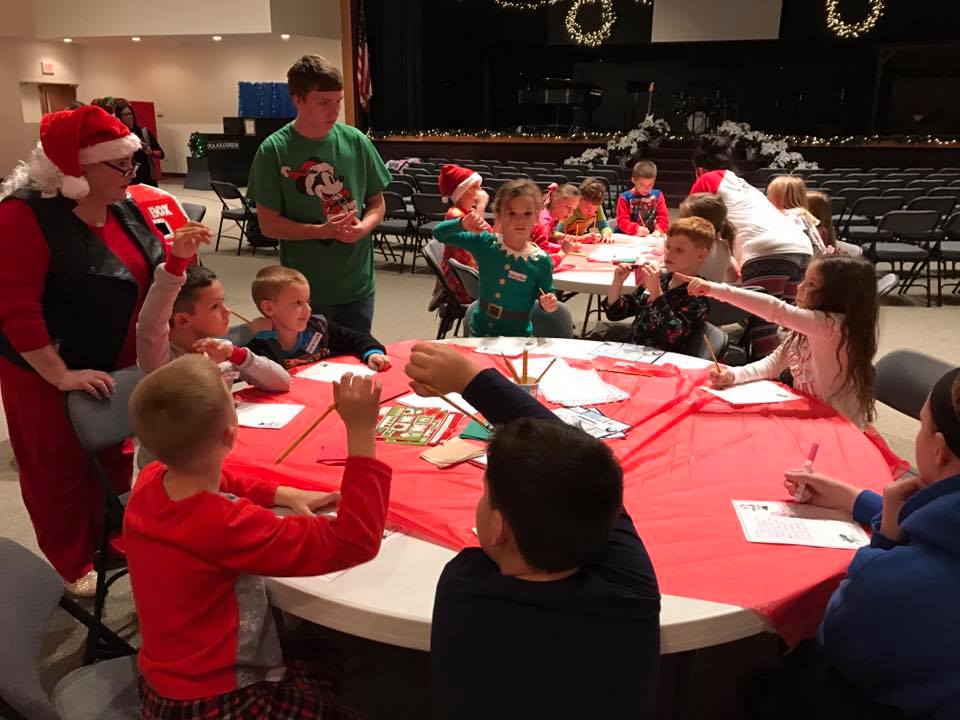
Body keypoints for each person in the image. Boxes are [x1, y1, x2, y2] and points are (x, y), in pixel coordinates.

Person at [403, 342, 661, 719]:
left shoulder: (463, 585)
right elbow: (583, 469)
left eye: (485, 494)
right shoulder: (631, 588)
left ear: (497, 528)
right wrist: (473, 380)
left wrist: (469, 380)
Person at [125, 354, 391, 719]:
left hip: (171, 677)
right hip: (216, 697)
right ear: (231, 434)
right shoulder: (224, 524)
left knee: (326, 655)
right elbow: (354, 541)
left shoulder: (152, 478)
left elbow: (219, 476)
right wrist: (361, 433)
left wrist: (281, 493)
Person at [0, 105, 164, 594]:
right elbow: (15, 309)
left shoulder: (121, 204)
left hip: (114, 354)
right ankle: (72, 560)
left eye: (132, 162)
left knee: (114, 455)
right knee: (57, 467)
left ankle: (110, 536)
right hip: (46, 369)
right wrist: (58, 374)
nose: (132, 173)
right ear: (78, 169)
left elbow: (147, 265)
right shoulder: (23, 215)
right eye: (121, 164)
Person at [782, 366, 960, 719]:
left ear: (939, 450)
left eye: (921, 425)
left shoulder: (898, 585)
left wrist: (884, 542)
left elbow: (835, 637)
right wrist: (856, 500)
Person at [247, 55, 392, 333]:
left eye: (338, 101)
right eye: (323, 102)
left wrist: (364, 227)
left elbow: (377, 202)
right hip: (304, 293)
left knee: (357, 353)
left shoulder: (356, 141)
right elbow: (268, 224)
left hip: (358, 285)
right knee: (312, 358)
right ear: (298, 100)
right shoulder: (273, 150)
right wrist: (321, 231)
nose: (334, 111)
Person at [681, 252, 878, 428]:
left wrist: (713, 289)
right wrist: (734, 375)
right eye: (804, 279)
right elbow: (774, 364)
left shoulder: (833, 326)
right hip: (813, 417)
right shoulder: (808, 326)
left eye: (811, 284)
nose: (800, 287)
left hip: (839, 427)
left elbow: (775, 309)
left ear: (837, 295)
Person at [689, 136, 812, 359]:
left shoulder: (707, 179)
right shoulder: (742, 184)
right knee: (785, 323)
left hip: (767, 252)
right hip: (801, 247)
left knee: (762, 327)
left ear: (699, 170)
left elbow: (692, 227)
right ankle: (791, 371)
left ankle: (769, 376)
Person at [137, 227, 290, 391]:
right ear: (183, 320)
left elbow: (282, 382)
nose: (227, 311)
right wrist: (176, 264)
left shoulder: (221, 350)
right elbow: (151, 323)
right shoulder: (161, 360)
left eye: (223, 302)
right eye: (215, 306)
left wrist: (237, 355)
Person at [432, 179, 560, 337]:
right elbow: (439, 233)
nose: (520, 220)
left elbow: (547, 292)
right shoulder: (486, 243)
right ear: (499, 215)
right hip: (480, 333)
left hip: (517, 338)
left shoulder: (540, 261)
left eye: (527, 213)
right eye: (511, 213)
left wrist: (549, 302)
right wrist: (461, 224)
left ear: (536, 217)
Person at [246, 265, 391, 371]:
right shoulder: (259, 346)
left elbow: (356, 337)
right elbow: (272, 376)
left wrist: (373, 353)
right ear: (268, 308)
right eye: (298, 303)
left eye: (307, 301)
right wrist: (265, 337)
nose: (308, 309)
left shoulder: (318, 327)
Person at [603, 217, 713, 351]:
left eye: (679, 250)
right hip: (633, 350)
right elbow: (615, 313)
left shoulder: (699, 296)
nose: (669, 253)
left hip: (663, 359)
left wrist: (656, 294)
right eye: (668, 247)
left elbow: (673, 334)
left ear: (701, 256)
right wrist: (617, 283)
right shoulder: (661, 280)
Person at [433, 164, 489, 306]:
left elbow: (490, 234)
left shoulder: (469, 212)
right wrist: (482, 207)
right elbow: (481, 240)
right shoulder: (456, 215)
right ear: (462, 191)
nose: (481, 191)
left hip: (471, 274)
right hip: (463, 282)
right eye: (475, 187)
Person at [678, 192, 739, 283]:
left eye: (683, 219)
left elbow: (674, 274)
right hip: (711, 291)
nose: (678, 222)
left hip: (688, 291)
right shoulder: (723, 245)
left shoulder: (692, 247)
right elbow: (733, 277)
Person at [767, 175, 827, 254]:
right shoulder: (803, 214)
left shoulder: (790, 217)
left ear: (780, 198)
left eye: (769, 195)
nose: (767, 198)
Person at [115, 102, 164, 187]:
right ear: (119, 117)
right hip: (128, 179)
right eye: (125, 115)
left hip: (148, 178)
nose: (129, 117)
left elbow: (161, 154)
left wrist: (150, 152)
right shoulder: (118, 136)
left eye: (130, 114)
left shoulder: (144, 132)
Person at [616, 160, 669, 237]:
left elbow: (663, 217)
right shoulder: (624, 197)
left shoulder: (658, 195)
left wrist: (659, 229)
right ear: (633, 180)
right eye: (642, 185)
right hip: (628, 236)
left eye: (650, 185)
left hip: (651, 236)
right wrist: (636, 229)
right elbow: (622, 221)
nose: (646, 189)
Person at [557, 177, 614, 243]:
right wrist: (580, 239)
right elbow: (553, 234)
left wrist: (606, 234)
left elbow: (604, 226)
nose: (591, 212)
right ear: (579, 199)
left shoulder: (597, 207)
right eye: (588, 208)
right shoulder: (570, 209)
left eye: (595, 209)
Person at [538, 182, 582, 251]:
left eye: (573, 209)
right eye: (568, 207)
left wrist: (563, 241)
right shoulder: (544, 220)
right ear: (555, 202)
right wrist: (564, 248)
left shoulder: (554, 217)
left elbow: (550, 236)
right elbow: (541, 246)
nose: (571, 213)